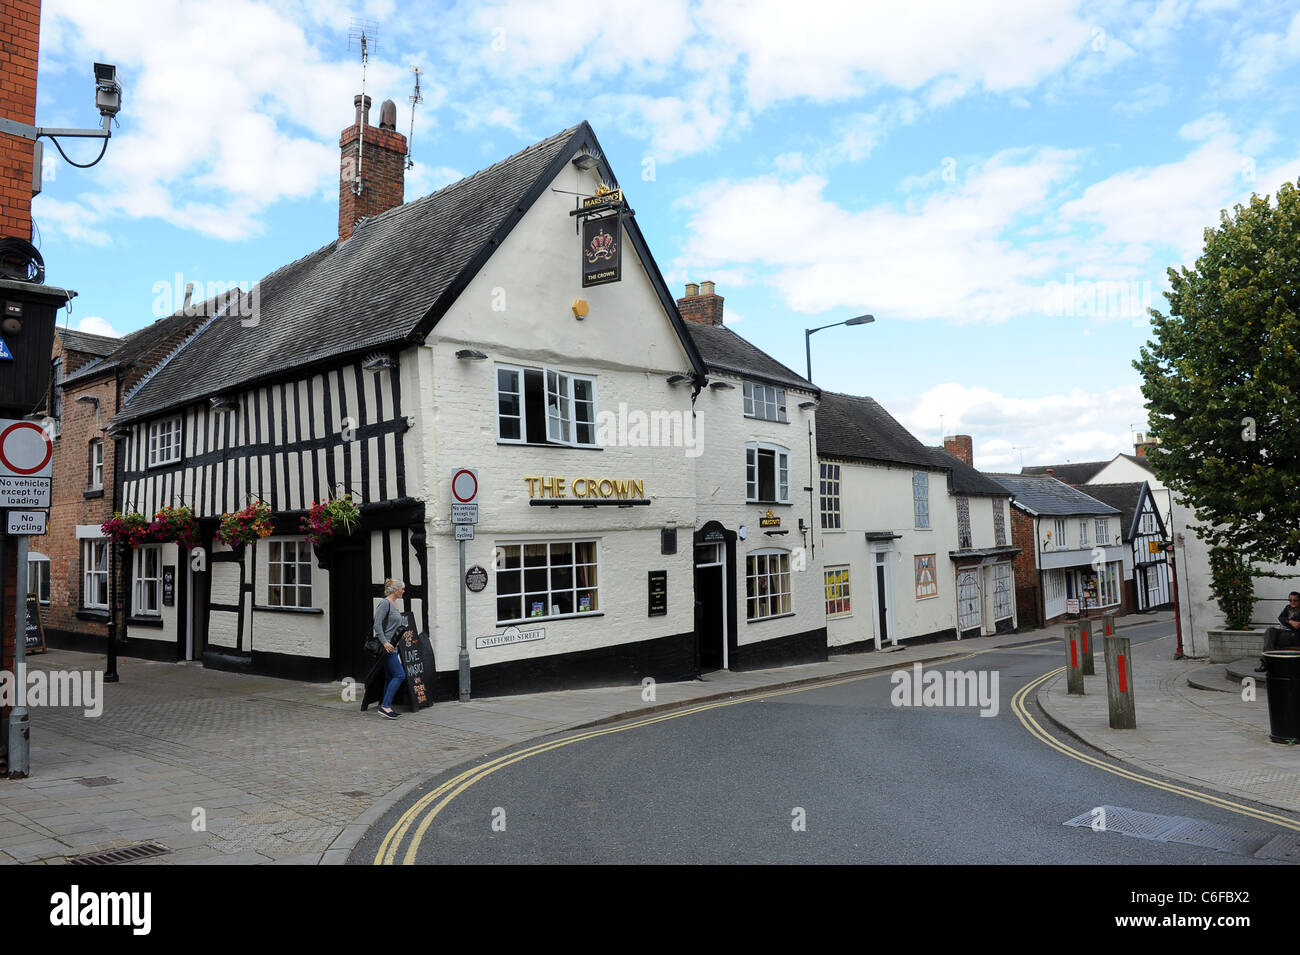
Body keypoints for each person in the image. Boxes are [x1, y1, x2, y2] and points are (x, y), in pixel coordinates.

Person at [373, 579, 407, 718]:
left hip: (394, 646)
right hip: (387, 648)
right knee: (400, 675)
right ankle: (385, 707)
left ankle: (385, 706)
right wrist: (385, 642)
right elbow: (377, 624)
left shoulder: (395, 603)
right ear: (395, 590)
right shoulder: (385, 603)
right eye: (402, 589)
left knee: (389, 677)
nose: (404, 591)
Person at [1257, 591, 1300, 672]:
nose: (1292, 602)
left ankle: (1266, 663)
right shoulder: (1288, 608)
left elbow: (1296, 626)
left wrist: (1287, 622)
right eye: (1290, 600)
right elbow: (1281, 618)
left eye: (1295, 600)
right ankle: (1268, 662)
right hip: (1284, 633)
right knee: (1270, 631)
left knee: (1270, 639)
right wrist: (1290, 622)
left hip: (1295, 636)